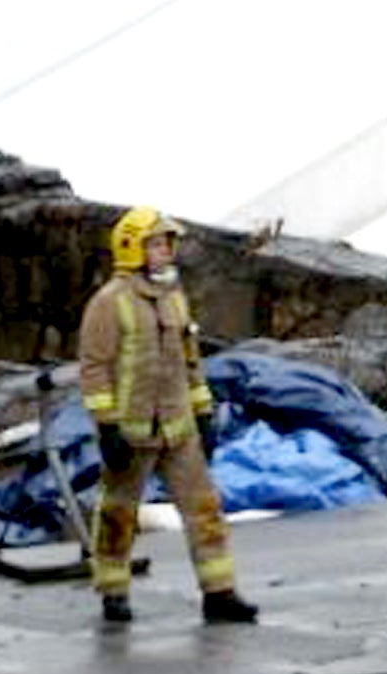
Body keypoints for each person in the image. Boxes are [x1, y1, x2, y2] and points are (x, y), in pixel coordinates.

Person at [79, 206, 258, 625]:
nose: (165, 252)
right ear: (132, 249)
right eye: (156, 244)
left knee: (205, 509)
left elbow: (190, 362)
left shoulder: (174, 297)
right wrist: (107, 429)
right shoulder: (110, 302)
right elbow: (94, 368)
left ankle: (220, 594)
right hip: (131, 432)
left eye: (166, 244)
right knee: (118, 514)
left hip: (179, 430)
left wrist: (204, 412)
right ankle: (113, 592)